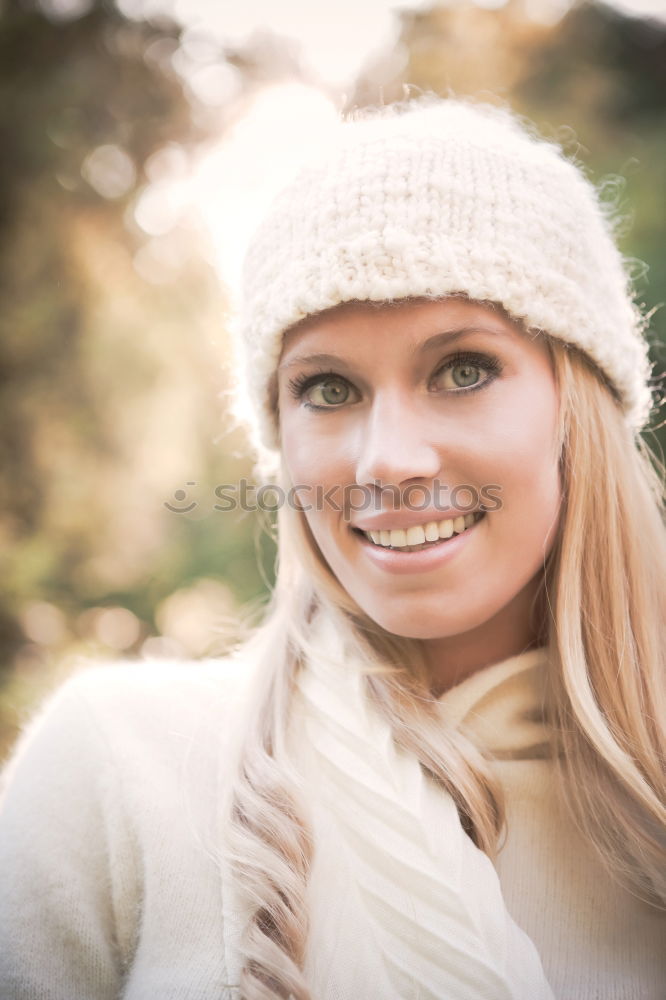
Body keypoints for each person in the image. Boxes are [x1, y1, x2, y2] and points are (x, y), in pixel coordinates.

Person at [0, 97, 664, 1000]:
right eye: (327, 387)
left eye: (463, 369)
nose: (386, 459)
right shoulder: (119, 773)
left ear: (575, 408)